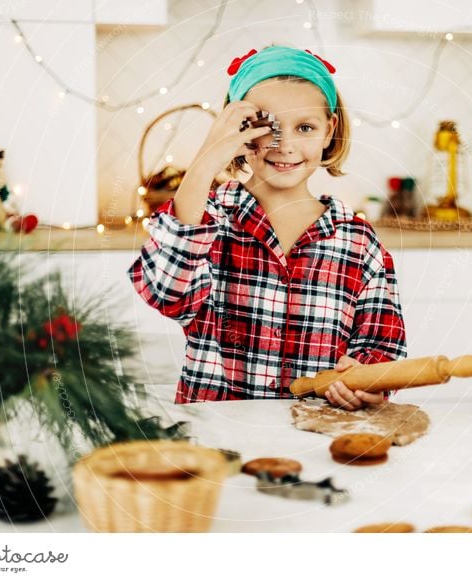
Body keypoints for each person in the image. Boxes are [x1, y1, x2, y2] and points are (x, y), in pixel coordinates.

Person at [128, 45, 406, 410]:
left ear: (328, 131)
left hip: (313, 441)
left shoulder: (357, 240)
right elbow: (163, 291)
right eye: (265, 127)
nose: (285, 146)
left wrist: (364, 380)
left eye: (305, 127)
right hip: (216, 442)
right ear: (237, 132)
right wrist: (207, 158)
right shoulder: (209, 218)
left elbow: (382, 347)